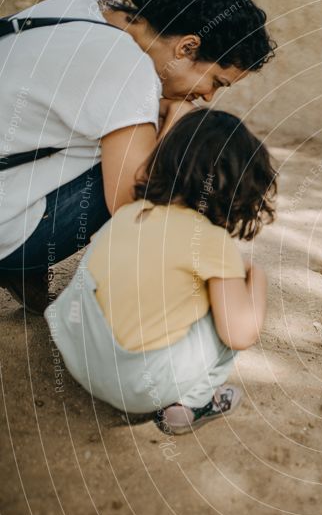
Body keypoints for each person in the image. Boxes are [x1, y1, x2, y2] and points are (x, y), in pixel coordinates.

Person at [0, 0, 275, 314]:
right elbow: (133, 206)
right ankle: (20, 261)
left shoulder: (83, 9)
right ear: (186, 47)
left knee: (131, 129)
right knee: (171, 155)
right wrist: (175, 125)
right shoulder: (128, 67)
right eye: (215, 81)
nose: (209, 96)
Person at [46, 109, 276, 434]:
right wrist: (258, 280)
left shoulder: (130, 213)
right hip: (136, 386)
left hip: (76, 355)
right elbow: (241, 334)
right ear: (237, 189)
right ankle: (191, 404)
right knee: (226, 317)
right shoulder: (211, 240)